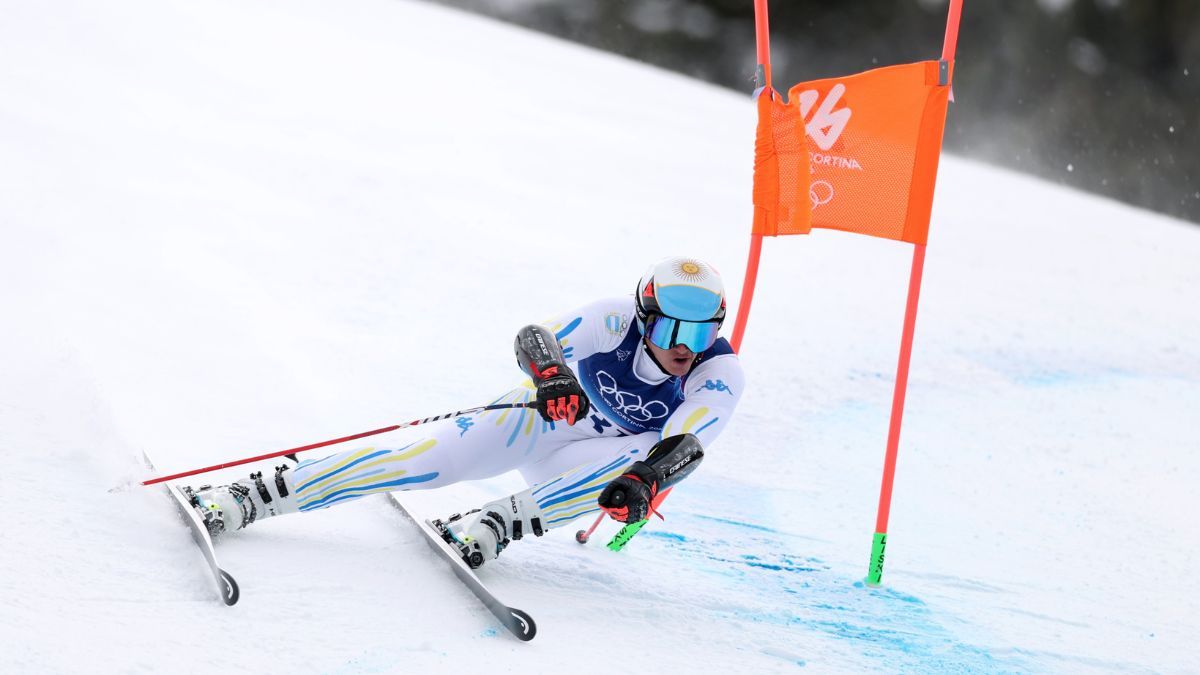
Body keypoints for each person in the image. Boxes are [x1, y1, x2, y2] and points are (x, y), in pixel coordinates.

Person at [186, 257, 745, 568]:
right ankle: (257, 494)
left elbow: (686, 445)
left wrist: (646, 482)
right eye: (670, 328)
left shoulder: (718, 373)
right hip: (549, 420)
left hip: (586, 467)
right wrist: (552, 374)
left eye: (701, 332)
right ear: (645, 317)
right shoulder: (614, 318)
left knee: (644, 459)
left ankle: (493, 525)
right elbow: (537, 336)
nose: (684, 345)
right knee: (425, 462)